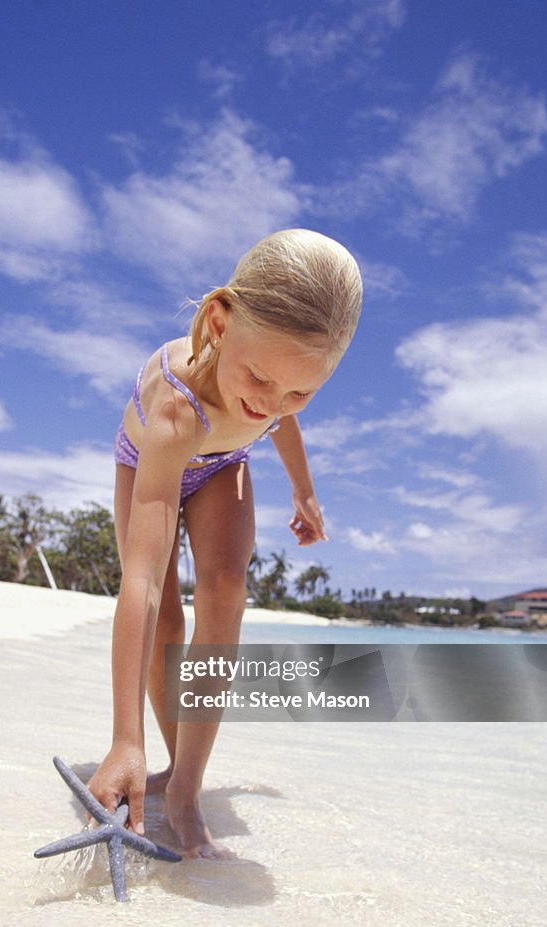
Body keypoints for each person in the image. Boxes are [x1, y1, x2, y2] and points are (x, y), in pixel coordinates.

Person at [88, 228, 363, 858]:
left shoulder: (277, 383)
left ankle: (184, 791)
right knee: (164, 614)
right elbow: (144, 578)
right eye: (261, 377)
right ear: (218, 322)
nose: (273, 400)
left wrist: (305, 492)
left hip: (221, 462)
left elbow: (277, 420)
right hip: (154, 455)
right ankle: (144, 755)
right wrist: (122, 737)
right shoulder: (178, 407)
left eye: (302, 390)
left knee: (226, 591)